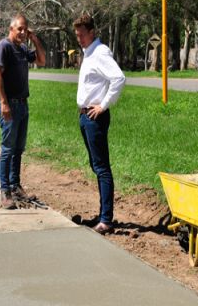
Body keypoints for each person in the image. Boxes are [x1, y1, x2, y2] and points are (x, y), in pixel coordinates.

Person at [73, 14, 125, 234]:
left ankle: (106, 219)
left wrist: (103, 105)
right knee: (96, 166)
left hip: (95, 117)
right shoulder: (88, 54)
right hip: (85, 116)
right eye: (77, 35)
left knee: (102, 168)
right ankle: (103, 215)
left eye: (82, 35)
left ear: (92, 32)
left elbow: (119, 78)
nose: (80, 39)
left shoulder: (100, 53)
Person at [0, 14, 45, 209]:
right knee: (8, 149)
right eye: (20, 29)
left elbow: (41, 61)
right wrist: (3, 102)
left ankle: (15, 186)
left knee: (18, 149)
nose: (23, 32)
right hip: (10, 105)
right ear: (11, 28)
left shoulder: (23, 48)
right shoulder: (4, 46)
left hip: (23, 105)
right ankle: (5, 191)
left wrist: (35, 39)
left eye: (25, 29)